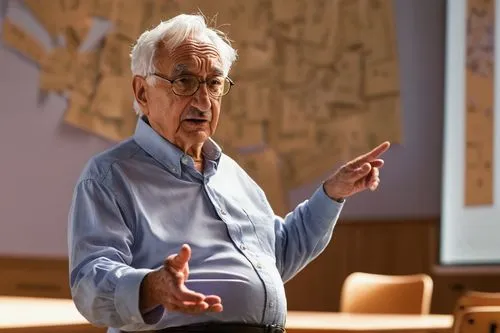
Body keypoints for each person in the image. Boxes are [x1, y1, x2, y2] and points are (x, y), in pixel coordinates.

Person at [67, 13, 390, 333]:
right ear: (142, 92)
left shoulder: (231, 174)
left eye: (214, 83)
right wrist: (152, 287)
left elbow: (278, 255)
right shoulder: (110, 175)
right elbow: (89, 281)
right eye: (184, 82)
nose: (204, 101)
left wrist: (332, 194)